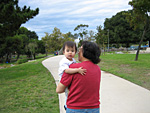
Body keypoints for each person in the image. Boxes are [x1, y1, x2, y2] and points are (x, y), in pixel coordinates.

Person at [56, 41, 101, 113]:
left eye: (80, 50)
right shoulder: (97, 69)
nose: (78, 52)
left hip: (75, 108)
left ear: (85, 52)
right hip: (94, 108)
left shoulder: (73, 67)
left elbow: (59, 90)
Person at [58, 41, 87, 110]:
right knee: (68, 94)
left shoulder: (73, 60)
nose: (70, 52)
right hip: (64, 81)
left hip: (70, 80)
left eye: (72, 51)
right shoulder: (64, 61)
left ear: (76, 52)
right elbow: (67, 70)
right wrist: (77, 70)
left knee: (71, 93)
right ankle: (66, 105)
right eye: (67, 51)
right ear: (63, 52)